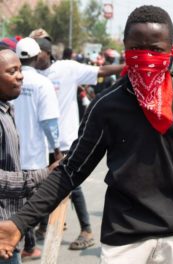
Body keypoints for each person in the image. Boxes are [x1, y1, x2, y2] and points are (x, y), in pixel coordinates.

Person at [0, 5, 173, 264]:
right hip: (124, 240)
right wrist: (19, 223)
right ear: (125, 50)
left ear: (170, 51)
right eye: (137, 50)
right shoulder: (107, 105)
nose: (147, 57)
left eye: (156, 50)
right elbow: (72, 171)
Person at [31, 32, 123, 250]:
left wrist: (130, 66)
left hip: (64, 140)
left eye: (38, 54)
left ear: (47, 53)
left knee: (71, 185)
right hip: (40, 141)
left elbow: (101, 70)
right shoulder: (31, 72)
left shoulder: (67, 69)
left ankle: (86, 230)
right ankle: (44, 225)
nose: (35, 59)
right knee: (43, 181)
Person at [0, 46, 58, 264]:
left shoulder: (7, 109)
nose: (20, 75)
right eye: (11, 71)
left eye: (19, 69)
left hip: (10, 225)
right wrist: (41, 175)